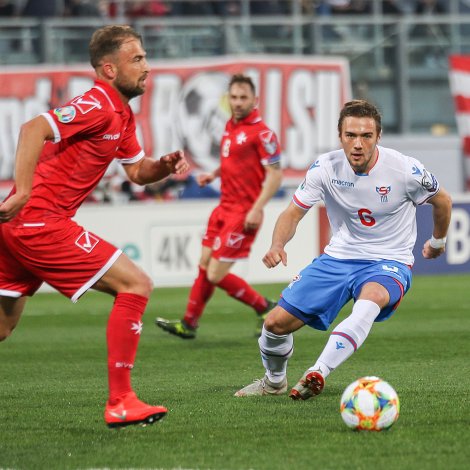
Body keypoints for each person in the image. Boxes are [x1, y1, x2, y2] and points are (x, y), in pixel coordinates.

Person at [0, 25, 190, 428]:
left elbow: (137, 171)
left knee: (2, 327)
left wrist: (164, 166)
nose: (147, 67)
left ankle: (123, 399)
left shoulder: (121, 114)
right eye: (137, 59)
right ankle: (121, 400)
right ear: (108, 68)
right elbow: (32, 128)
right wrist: (23, 190)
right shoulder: (98, 104)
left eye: (145, 57)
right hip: (38, 219)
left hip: (23, 224)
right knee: (136, 284)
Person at [234, 99, 452, 399]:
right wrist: (277, 244)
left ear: (378, 137)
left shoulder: (405, 169)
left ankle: (318, 372)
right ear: (340, 137)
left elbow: (443, 201)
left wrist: (437, 242)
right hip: (338, 258)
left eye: (366, 136)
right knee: (274, 324)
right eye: (351, 135)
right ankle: (274, 382)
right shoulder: (325, 168)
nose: (358, 144)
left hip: (389, 261)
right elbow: (293, 212)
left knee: (371, 298)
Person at [156, 74, 283, 339]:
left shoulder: (262, 134)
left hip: (243, 212)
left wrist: (257, 208)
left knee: (215, 273)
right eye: (233, 97)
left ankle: (265, 306)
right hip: (223, 208)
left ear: (255, 100)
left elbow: (275, 175)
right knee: (204, 264)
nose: (237, 103)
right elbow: (233, 162)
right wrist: (213, 175)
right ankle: (189, 323)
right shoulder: (230, 125)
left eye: (243, 98)